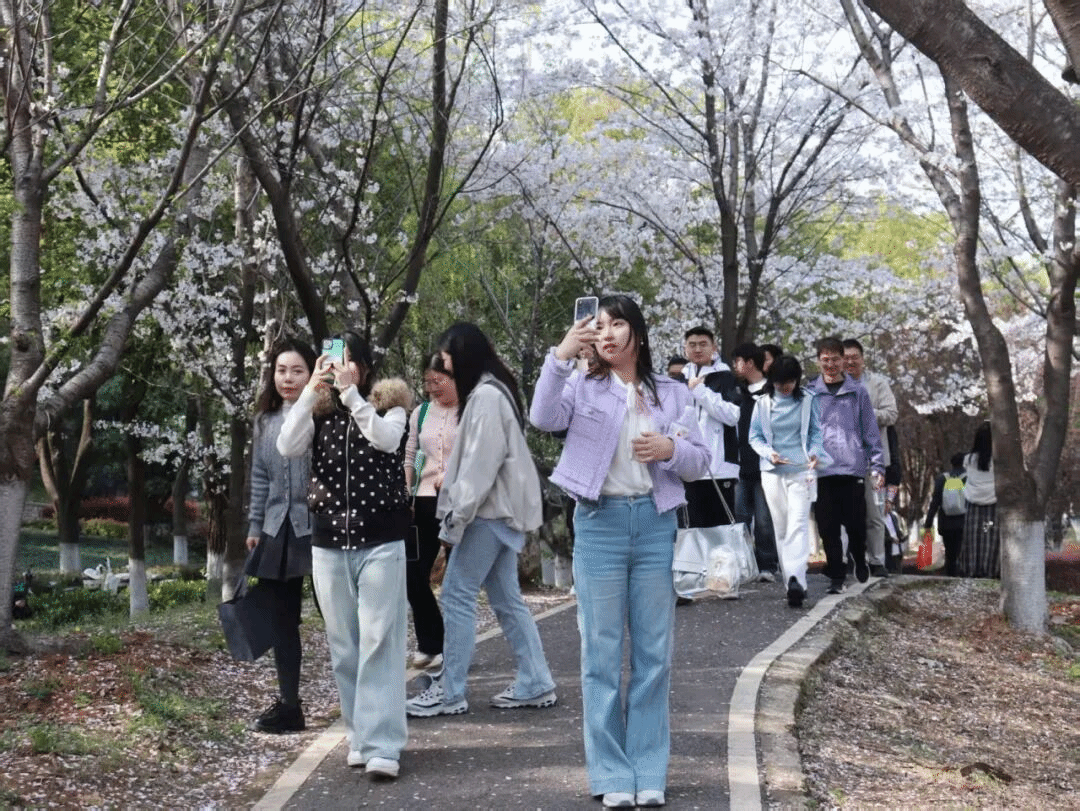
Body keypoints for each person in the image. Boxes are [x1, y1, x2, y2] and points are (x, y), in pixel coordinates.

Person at [530, 295, 710, 809]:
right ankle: (611, 773)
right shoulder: (580, 384)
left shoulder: (670, 393)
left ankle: (649, 770)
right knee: (601, 655)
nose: (606, 334)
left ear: (638, 333)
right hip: (599, 525)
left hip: (654, 525)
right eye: (599, 326)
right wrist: (560, 355)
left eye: (617, 325)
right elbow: (542, 417)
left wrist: (671, 450)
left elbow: (700, 461)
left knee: (654, 654)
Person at [405, 323, 557, 718]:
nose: (446, 368)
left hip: (486, 513)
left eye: (449, 360)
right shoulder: (493, 392)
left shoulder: (486, 397)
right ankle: (536, 680)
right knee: (506, 600)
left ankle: (450, 691)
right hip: (499, 513)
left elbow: (478, 468)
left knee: (456, 595)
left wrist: (454, 522)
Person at [277, 330, 409, 781]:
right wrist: (310, 391)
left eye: (349, 360)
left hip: (381, 542)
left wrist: (352, 395)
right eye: (334, 359)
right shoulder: (319, 411)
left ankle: (383, 744)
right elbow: (287, 445)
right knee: (344, 647)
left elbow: (386, 440)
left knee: (380, 642)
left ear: (365, 367)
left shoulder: (390, 406)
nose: (340, 367)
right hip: (329, 542)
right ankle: (360, 735)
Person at [245, 339, 318, 733]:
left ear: (312, 374)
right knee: (282, 622)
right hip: (277, 530)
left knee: (339, 617)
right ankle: (290, 706)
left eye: (297, 371)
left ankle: (363, 700)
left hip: (318, 527)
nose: (287, 378)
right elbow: (260, 476)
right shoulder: (264, 421)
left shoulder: (323, 415)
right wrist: (255, 526)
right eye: (281, 370)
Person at [748, 355, 830, 608]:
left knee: (798, 524)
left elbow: (816, 432)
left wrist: (814, 453)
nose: (786, 387)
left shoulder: (808, 400)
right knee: (782, 528)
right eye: (781, 382)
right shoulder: (762, 403)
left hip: (801, 470)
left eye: (790, 382)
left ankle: (797, 579)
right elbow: (754, 437)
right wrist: (768, 453)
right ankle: (791, 583)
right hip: (772, 472)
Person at [806, 337, 885, 594]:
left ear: (843, 360)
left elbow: (870, 430)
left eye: (835, 359)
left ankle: (859, 558)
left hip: (852, 467)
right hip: (822, 469)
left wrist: (877, 465)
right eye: (825, 359)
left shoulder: (857, 391)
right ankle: (837, 576)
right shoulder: (810, 392)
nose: (830, 364)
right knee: (827, 526)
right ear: (818, 361)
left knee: (855, 523)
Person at [402, 353, 459, 670]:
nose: (432, 387)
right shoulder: (420, 413)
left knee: (457, 581)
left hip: (458, 502)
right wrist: (406, 492)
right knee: (413, 575)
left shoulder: (469, 411)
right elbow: (410, 454)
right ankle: (430, 642)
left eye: (439, 380)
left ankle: (456, 647)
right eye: (428, 381)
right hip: (423, 501)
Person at [843, 338, 898, 578]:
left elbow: (892, 414)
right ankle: (846, 560)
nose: (850, 362)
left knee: (875, 514)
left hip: (873, 460)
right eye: (846, 358)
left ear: (863, 359)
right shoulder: (833, 385)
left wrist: (866, 412)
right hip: (843, 461)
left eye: (854, 357)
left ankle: (877, 561)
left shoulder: (877, 384)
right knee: (845, 514)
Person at [680, 326, 740, 527]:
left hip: (719, 467)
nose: (697, 349)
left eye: (703, 344)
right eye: (692, 345)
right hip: (687, 467)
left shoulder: (726, 377)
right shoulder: (678, 380)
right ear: (685, 349)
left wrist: (700, 391)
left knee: (720, 529)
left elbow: (733, 415)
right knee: (690, 529)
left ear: (714, 347)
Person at [732, 342, 779, 581]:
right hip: (740, 466)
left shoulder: (772, 392)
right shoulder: (736, 393)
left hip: (765, 466)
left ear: (749, 362)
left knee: (763, 520)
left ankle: (767, 565)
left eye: (737, 361)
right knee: (739, 517)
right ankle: (743, 565)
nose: (734, 366)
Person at [959, 422, 999, 578]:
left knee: (974, 537)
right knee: (990, 536)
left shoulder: (968, 459)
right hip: (993, 504)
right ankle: (990, 569)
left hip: (973, 505)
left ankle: (972, 568)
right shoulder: (1000, 459)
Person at [922, 452, 967, 577]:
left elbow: (935, 502)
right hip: (963, 522)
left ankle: (950, 576)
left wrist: (928, 523)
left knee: (949, 552)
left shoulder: (942, 478)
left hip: (946, 523)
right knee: (961, 551)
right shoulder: (968, 478)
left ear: (951, 464)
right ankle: (961, 575)